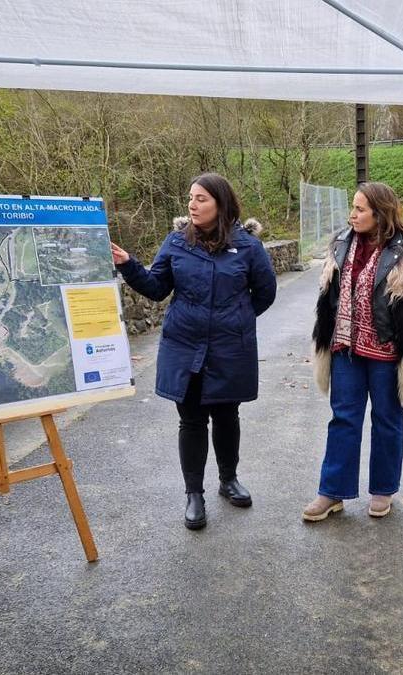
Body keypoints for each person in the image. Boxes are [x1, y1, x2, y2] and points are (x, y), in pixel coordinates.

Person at [111, 172, 276, 530]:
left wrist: (237, 320)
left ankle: (228, 480)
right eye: (190, 198)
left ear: (221, 203)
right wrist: (129, 265)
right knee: (191, 419)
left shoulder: (247, 245)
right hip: (184, 347)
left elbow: (265, 293)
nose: (192, 204)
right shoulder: (176, 242)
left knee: (227, 415)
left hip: (229, 349)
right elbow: (156, 288)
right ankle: (194, 494)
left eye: (201, 198)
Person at [303, 181, 403, 522]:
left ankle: (383, 489)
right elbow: (328, 297)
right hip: (346, 347)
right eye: (354, 208)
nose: (353, 214)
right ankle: (331, 491)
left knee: (387, 419)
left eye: (360, 209)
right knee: (343, 418)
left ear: (380, 213)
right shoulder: (342, 243)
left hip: (387, 349)